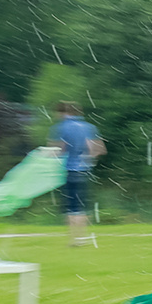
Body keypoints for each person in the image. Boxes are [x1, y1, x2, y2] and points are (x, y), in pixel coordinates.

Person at [49, 101, 104, 246]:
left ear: (63, 112)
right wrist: (88, 159)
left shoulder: (61, 127)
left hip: (69, 171)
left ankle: (73, 239)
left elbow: (59, 150)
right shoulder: (89, 127)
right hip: (84, 170)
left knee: (70, 207)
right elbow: (99, 149)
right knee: (81, 206)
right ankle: (82, 237)